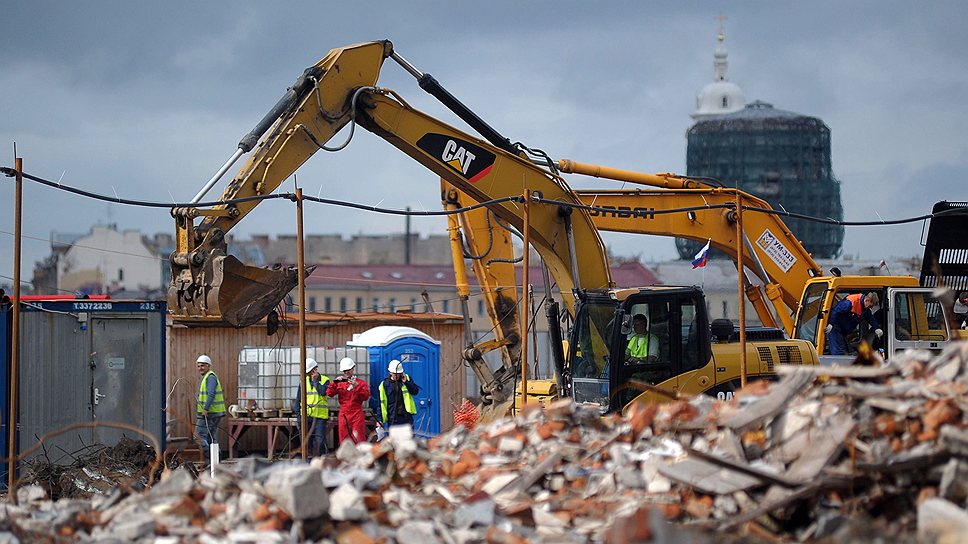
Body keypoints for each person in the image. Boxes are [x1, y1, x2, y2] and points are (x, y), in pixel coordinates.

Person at [326, 357, 370, 445]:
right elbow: (329, 393)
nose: (346, 372)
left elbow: (365, 396)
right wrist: (334, 383)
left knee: (359, 438)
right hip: (344, 413)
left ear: (353, 368)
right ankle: (346, 457)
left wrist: (357, 386)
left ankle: (360, 456)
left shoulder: (361, 383)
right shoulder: (339, 383)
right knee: (344, 439)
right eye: (344, 370)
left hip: (356, 413)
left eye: (348, 370)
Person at [294, 358, 330, 457]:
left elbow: (323, 392)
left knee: (320, 441)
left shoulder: (325, 380)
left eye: (310, 372)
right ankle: (306, 463)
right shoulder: (303, 381)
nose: (308, 374)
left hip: (320, 417)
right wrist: (299, 416)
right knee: (306, 443)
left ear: (315, 370)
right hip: (306, 417)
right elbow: (298, 399)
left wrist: (315, 383)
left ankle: (321, 461)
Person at [195, 354, 226, 461]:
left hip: (209, 413)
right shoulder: (207, 377)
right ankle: (216, 461)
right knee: (211, 438)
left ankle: (210, 459)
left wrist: (206, 408)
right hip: (214, 412)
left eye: (203, 365)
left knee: (199, 437)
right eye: (198, 366)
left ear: (208, 366)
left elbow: (211, 394)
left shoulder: (210, 378)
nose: (200, 368)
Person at [379, 359, 421, 430]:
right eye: (395, 374)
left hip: (406, 417)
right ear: (390, 372)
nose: (396, 376)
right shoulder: (385, 384)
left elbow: (415, 391)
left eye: (398, 374)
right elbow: (380, 403)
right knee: (394, 440)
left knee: (409, 439)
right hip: (393, 418)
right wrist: (380, 419)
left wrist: (406, 382)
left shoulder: (406, 379)